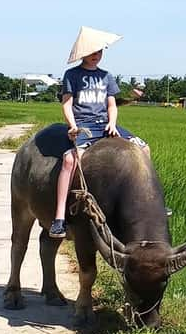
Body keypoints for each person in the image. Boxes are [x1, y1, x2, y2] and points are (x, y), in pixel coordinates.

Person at [50, 26, 148, 239]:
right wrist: (73, 126)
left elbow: (112, 105)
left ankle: (146, 202)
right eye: (92, 52)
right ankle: (59, 217)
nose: (96, 56)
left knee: (144, 148)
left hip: (105, 124)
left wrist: (113, 124)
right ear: (83, 53)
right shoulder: (72, 75)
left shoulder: (107, 77)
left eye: (99, 52)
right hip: (84, 125)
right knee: (69, 160)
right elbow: (67, 104)